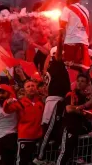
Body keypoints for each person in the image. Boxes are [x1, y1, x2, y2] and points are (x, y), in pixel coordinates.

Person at [33, 33, 71, 165]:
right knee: (49, 129)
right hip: (55, 101)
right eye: (63, 54)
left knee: (51, 128)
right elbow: (59, 51)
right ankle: (40, 157)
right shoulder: (56, 63)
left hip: (52, 100)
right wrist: (60, 35)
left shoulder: (52, 67)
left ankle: (45, 156)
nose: (65, 57)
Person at [3, 80, 44, 165]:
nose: (31, 88)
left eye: (33, 86)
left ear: (36, 88)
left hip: (38, 138)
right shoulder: (20, 103)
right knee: (22, 162)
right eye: (28, 86)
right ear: (24, 90)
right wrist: (7, 102)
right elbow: (7, 110)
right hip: (25, 137)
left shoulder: (40, 103)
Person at [57, 74, 92, 165]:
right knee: (65, 151)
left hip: (79, 127)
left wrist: (82, 109)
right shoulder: (72, 94)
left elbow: (89, 114)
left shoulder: (86, 97)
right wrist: (84, 108)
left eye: (82, 81)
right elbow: (69, 109)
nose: (80, 83)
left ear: (87, 84)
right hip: (69, 126)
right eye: (78, 81)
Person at [59, 0, 90, 70]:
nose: (66, 0)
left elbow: (62, 24)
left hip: (71, 43)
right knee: (82, 70)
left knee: (70, 70)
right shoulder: (86, 10)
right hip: (84, 44)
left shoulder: (67, 8)